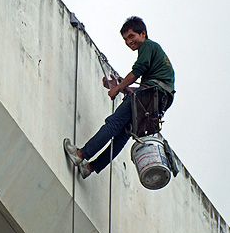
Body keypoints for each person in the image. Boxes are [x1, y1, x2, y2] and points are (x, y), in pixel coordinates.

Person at [64, 16, 175, 179]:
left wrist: (117, 88)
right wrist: (116, 85)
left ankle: (80, 154)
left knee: (114, 123)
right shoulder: (157, 56)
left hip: (150, 95)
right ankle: (89, 167)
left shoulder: (148, 45)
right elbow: (144, 88)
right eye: (125, 39)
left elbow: (138, 70)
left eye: (131, 36)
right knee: (122, 136)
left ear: (143, 33)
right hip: (156, 101)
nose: (129, 42)